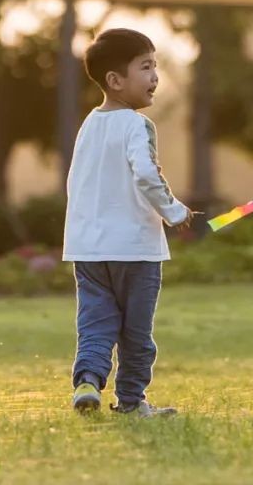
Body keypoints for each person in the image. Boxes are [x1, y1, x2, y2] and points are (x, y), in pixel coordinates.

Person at [63, 27, 202, 417]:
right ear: (115, 80)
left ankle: (87, 382)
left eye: (155, 66)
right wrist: (174, 211)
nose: (155, 76)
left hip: (89, 251)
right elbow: (146, 174)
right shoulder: (137, 125)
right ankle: (131, 402)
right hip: (135, 251)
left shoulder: (89, 125)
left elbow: (79, 183)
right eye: (145, 67)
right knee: (136, 334)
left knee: (95, 324)